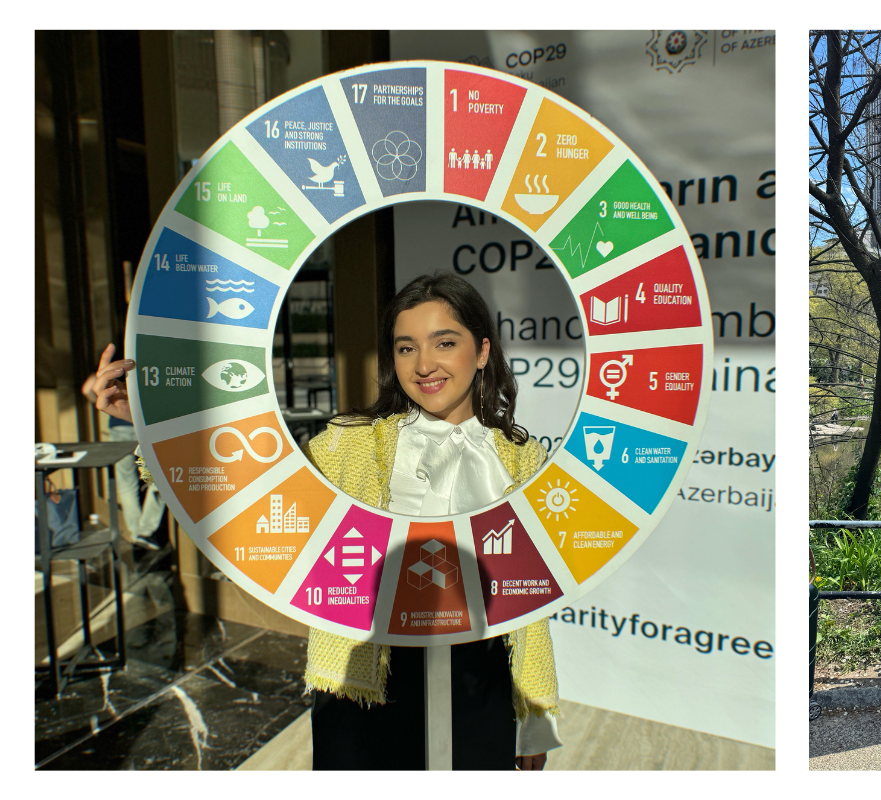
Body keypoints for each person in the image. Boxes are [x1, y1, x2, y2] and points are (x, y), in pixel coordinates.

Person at [91, 273, 559, 770]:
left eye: (445, 342)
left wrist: (536, 719)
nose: (424, 365)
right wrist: (150, 419)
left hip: (480, 679)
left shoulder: (521, 458)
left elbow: (530, 599)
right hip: (364, 679)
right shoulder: (349, 442)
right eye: (405, 348)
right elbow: (247, 492)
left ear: (483, 351)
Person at [83, 347, 165, 551]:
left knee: (126, 482)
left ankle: (135, 532)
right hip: (142, 424)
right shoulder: (141, 358)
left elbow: (87, 389)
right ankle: (146, 531)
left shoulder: (110, 365)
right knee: (157, 478)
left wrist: (104, 405)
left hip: (118, 426)